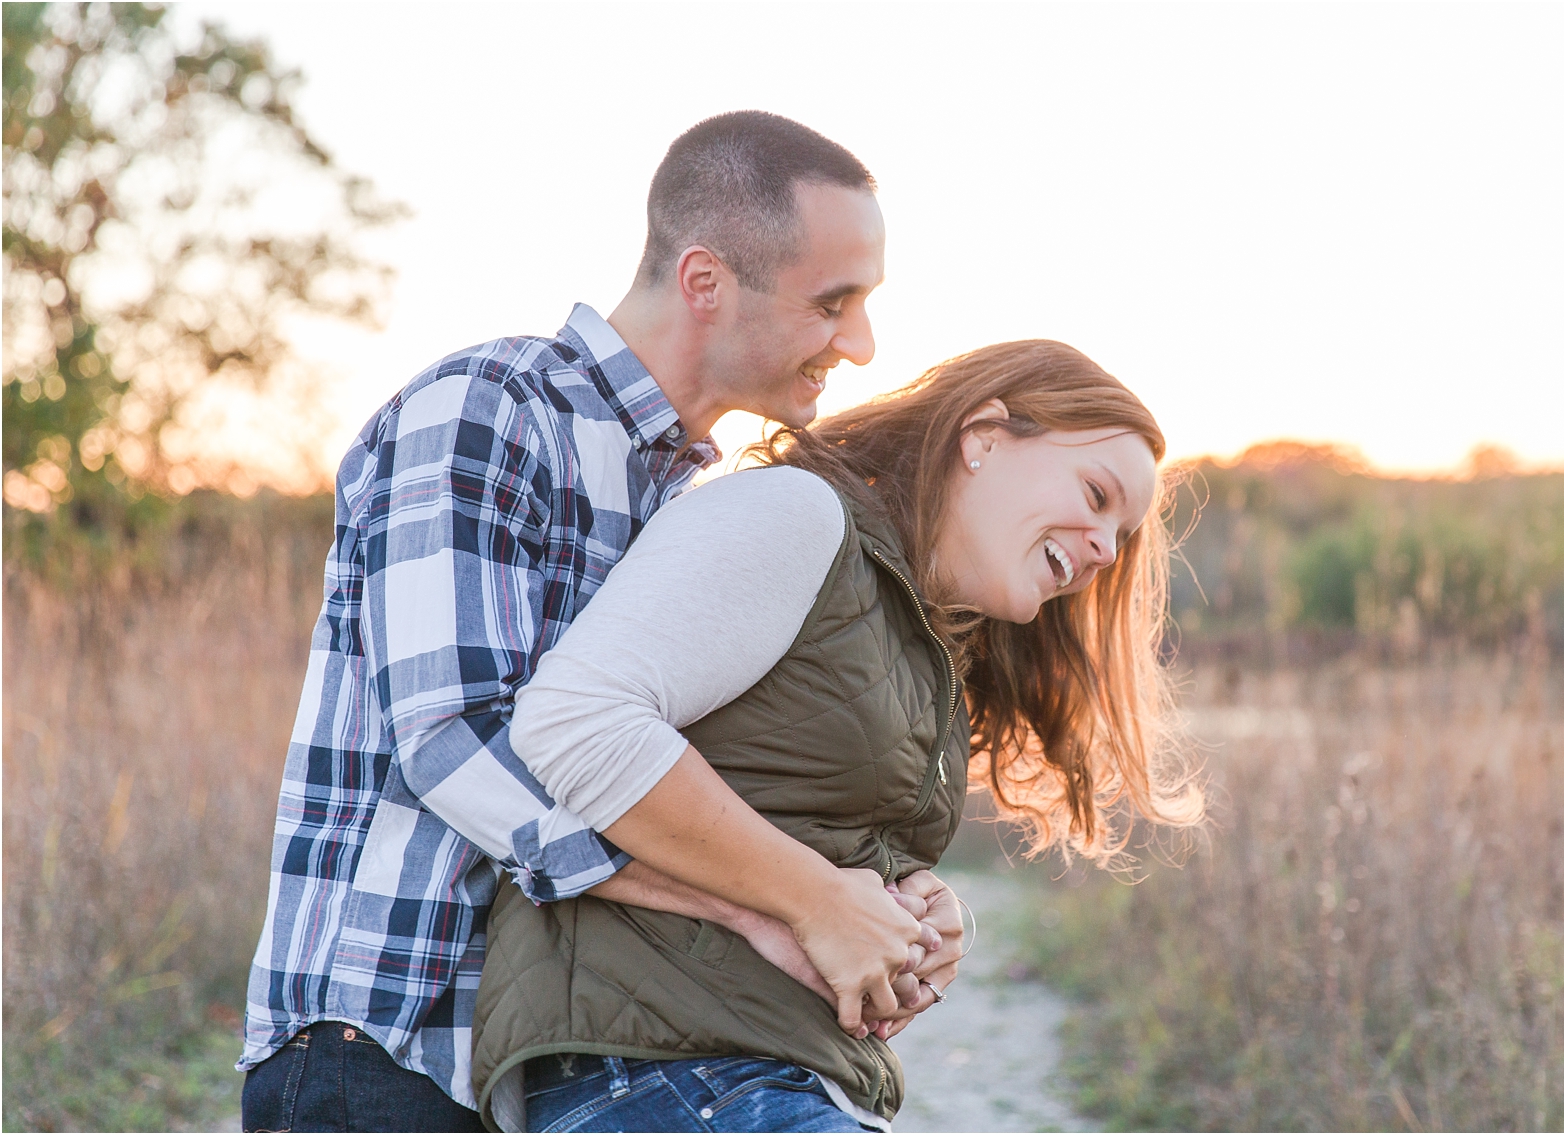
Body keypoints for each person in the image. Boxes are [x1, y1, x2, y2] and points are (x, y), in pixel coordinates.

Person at [239, 111, 961, 1133]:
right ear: (705, 282)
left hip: (552, 1061)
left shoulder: (700, 505)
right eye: (830, 304)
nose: (860, 343)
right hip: (391, 1043)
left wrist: (888, 894)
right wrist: (776, 905)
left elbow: (696, 777)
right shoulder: (486, 410)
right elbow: (456, 741)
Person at [470, 340, 1207, 1132]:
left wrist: (916, 914)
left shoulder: (925, 641)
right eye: (1096, 494)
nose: (1104, 548)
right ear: (985, 435)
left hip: (751, 1074)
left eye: (1120, 536)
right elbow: (574, 719)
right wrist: (816, 897)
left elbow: (781, 804)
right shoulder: (799, 514)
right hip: (660, 1071)